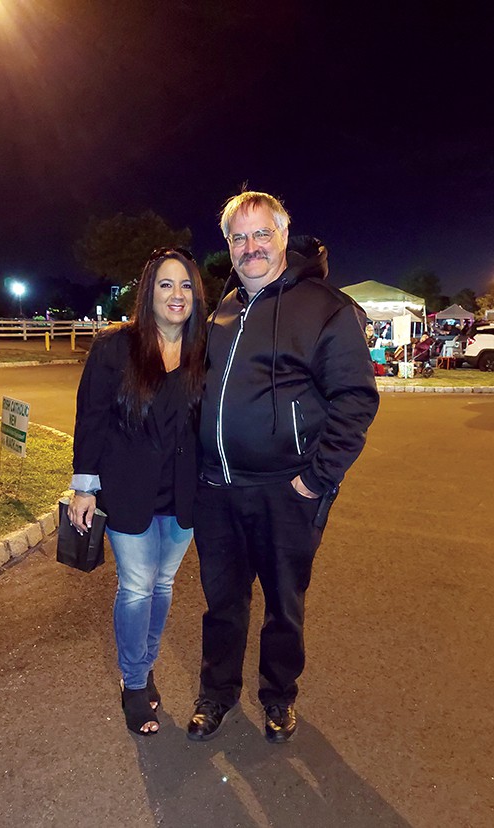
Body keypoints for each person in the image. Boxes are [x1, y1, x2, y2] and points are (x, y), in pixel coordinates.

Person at [187, 191, 380, 744]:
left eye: (260, 234)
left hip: (286, 492)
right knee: (222, 603)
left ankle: (278, 696)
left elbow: (356, 401)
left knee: (282, 605)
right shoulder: (222, 311)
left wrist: (316, 479)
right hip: (218, 490)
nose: (250, 247)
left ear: (282, 236)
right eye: (238, 238)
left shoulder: (325, 308)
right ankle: (216, 693)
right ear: (228, 246)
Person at [68, 249, 206, 736]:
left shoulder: (204, 350)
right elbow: (92, 417)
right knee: (136, 587)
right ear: (148, 292)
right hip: (128, 491)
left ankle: (145, 668)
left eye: (186, 285)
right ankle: (133, 683)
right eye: (166, 285)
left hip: (184, 496)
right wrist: (85, 487)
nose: (177, 295)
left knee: (163, 586)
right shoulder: (115, 348)